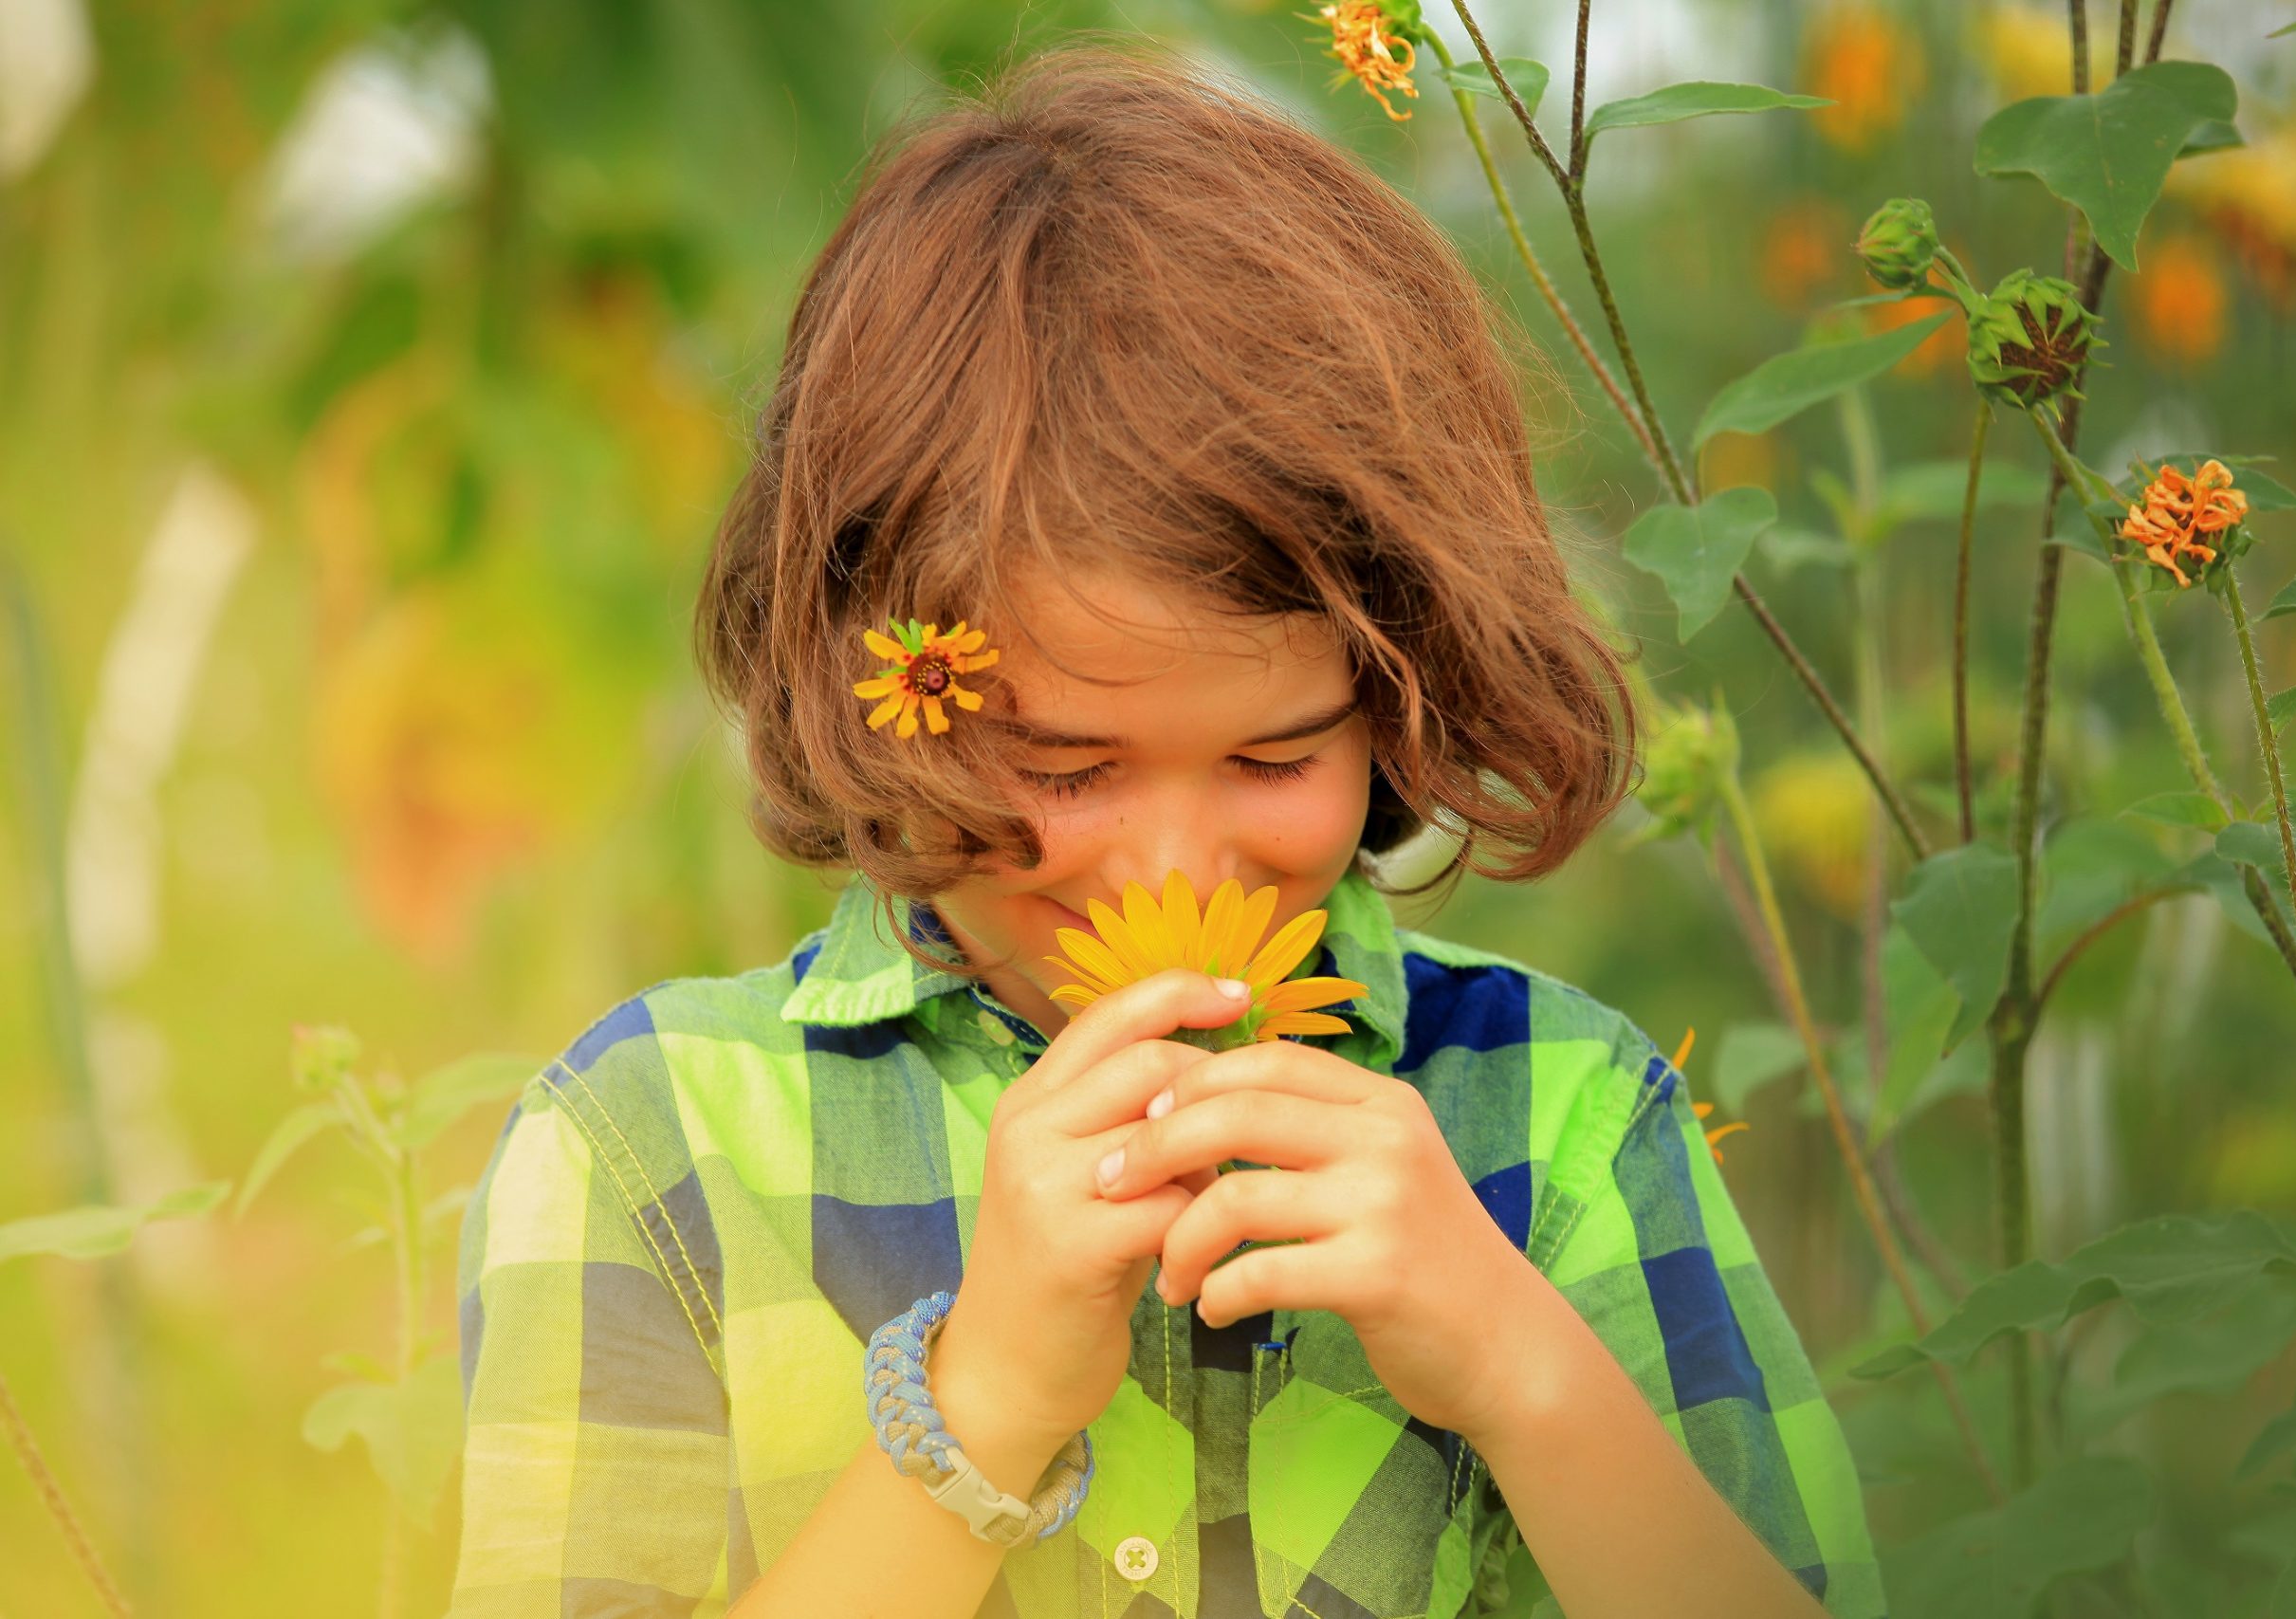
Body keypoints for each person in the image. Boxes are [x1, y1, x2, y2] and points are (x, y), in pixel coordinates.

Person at [445, 34, 1881, 1619]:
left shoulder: (1564, 1124)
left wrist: (1522, 1371)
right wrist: (979, 1404)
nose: (1179, 871)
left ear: (1395, 695)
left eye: (1273, 763)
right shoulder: (656, 1151)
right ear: (880, 697)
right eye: (1065, 772)